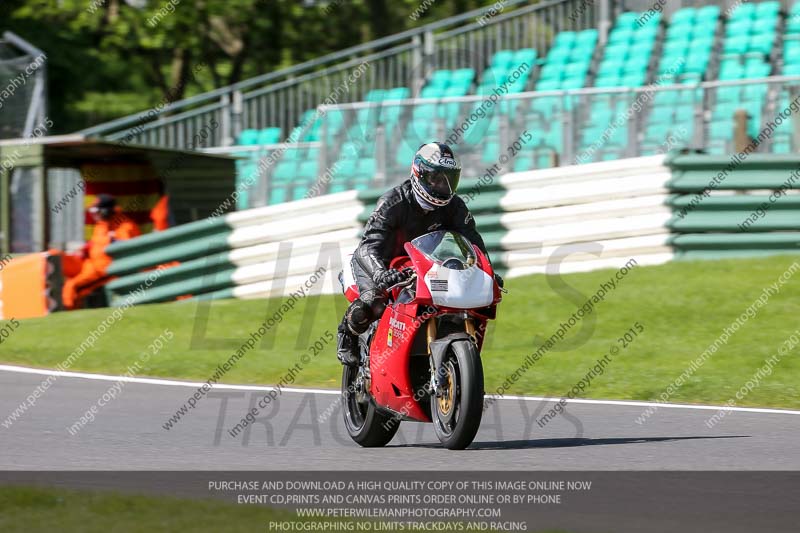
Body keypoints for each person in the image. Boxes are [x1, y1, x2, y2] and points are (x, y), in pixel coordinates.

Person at [337, 142, 502, 366]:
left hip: (419, 266)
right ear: (419, 173)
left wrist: (486, 271)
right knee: (374, 301)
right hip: (378, 263)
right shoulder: (392, 202)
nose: (442, 185)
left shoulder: (454, 206)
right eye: (436, 178)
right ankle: (346, 335)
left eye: (448, 179)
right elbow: (369, 245)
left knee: (460, 299)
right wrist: (380, 274)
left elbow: (473, 242)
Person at [62, 194, 141, 310]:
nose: (93, 214)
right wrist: (86, 249)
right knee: (63, 269)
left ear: (105, 211)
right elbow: (97, 244)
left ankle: (66, 316)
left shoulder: (125, 226)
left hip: (106, 271)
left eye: (96, 211)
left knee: (72, 286)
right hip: (91, 266)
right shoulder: (101, 225)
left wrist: (114, 240)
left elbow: (128, 249)